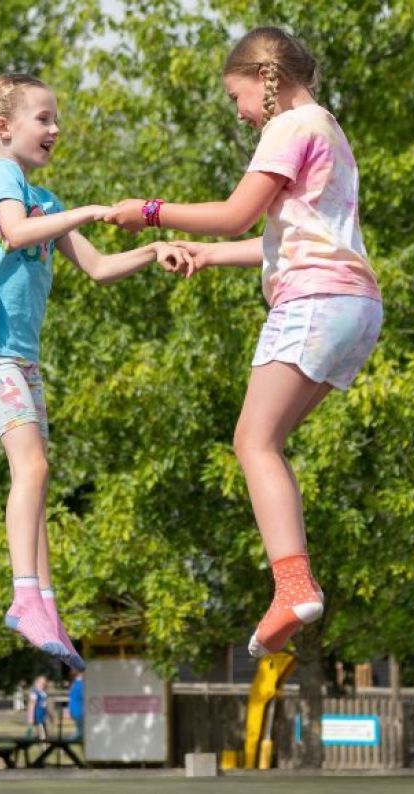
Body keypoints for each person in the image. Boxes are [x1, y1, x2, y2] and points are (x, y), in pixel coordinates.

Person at [0, 74, 191, 670]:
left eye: (57, 119)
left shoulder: (46, 200)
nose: (56, 129)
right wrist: (90, 209)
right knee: (31, 467)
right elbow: (16, 231)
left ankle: (46, 608)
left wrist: (152, 250)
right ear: (3, 128)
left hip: (22, 355)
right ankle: (24, 597)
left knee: (37, 479)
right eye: (44, 119)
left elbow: (99, 268)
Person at [104, 27, 383, 658]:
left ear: (265, 78)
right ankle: (293, 584)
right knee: (266, 442)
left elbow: (237, 213)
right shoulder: (330, 129)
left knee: (253, 442)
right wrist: (207, 255)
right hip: (355, 306)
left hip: (313, 302)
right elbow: (286, 238)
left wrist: (148, 211)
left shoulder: (287, 127)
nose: (238, 113)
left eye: (237, 97)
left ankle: (293, 585)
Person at [27, 675, 52, 741]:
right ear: (36, 683)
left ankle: (43, 741)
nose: (42, 685)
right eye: (41, 683)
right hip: (38, 714)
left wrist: (49, 715)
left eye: (44, 684)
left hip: (43, 714)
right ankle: (43, 744)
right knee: (41, 731)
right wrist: (31, 718)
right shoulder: (34, 692)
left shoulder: (43, 693)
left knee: (45, 731)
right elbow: (31, 705)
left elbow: (45, 705)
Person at [65, 670, 84, 742]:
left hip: (74, 710)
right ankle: (66, 741)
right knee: (80, 733)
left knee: (80, 730)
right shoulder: (81, 685)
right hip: (79, 711)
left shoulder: (74, 685)